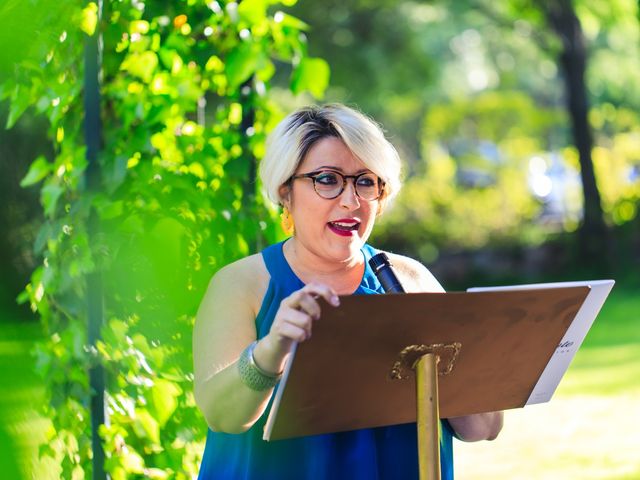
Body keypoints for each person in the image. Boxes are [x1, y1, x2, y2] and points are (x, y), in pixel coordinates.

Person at [193, 104, 503, 479]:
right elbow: (223, 416)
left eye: (365, 181)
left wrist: (456, 348)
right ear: (285, 191)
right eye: (327, 179)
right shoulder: (239, 285)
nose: (350, 201)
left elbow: (484, 427)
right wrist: (271, 350)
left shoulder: (412, 280)